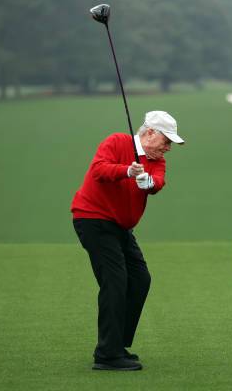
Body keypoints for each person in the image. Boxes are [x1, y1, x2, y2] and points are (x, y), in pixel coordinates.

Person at [71, 111, 184, 371]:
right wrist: (128, 171)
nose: (168, 148)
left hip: (120, 228)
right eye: (166, 141)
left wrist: (148, 181)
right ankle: (107, 355)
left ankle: (117, 344)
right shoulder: (116, 141)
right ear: (150, 133)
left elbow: (158, 182)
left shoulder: (156, 160)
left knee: (140, 279)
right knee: (115, 280)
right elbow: (99, 170)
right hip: (93, 219)